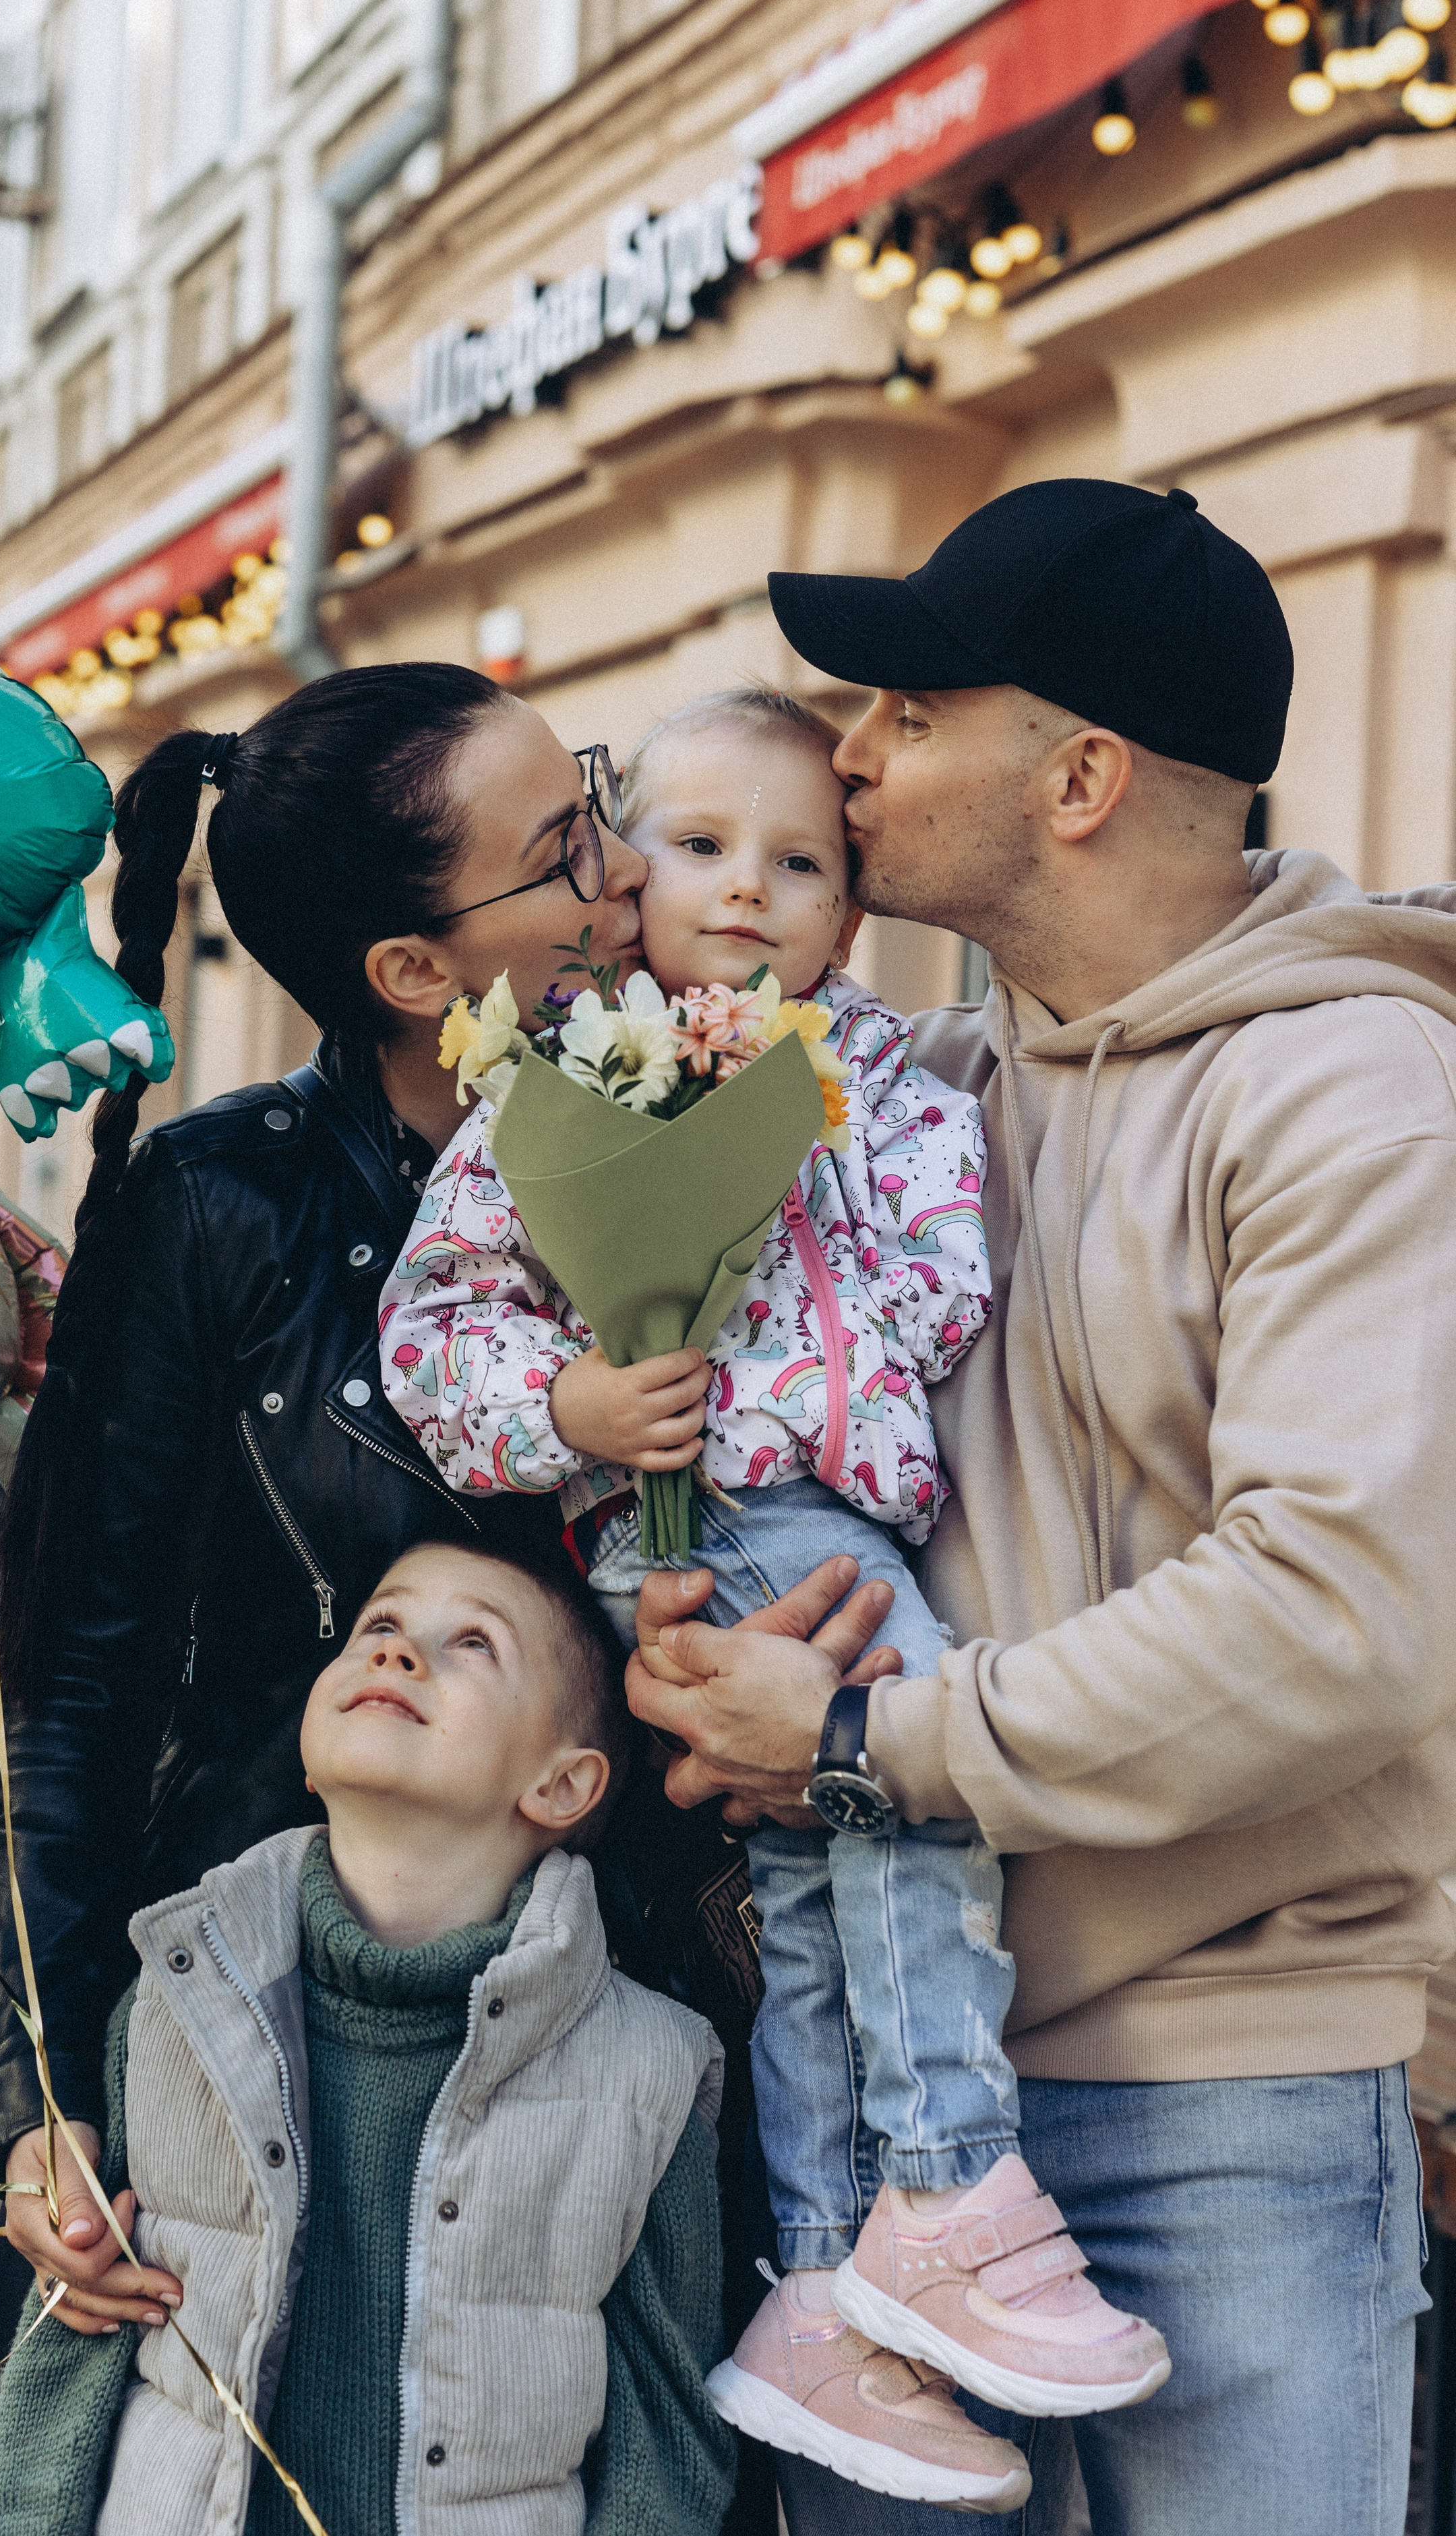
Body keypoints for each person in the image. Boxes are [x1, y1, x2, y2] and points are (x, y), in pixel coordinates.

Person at [626, 477, 1456, 2536]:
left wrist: (862, 1743)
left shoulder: (1352, 1090)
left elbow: (1337, 1609)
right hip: (899, 2088)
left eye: (911, 702)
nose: (853, 748)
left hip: (1234, 2083)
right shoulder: (901, 1098)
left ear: (1078, 775)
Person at [382, 686, 1165, 2503]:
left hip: (834, 1496)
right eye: (703, 848)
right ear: (620, 879)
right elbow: (436, 1326)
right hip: (701, 1513)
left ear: (851, 909)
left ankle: (829, 2283)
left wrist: (789, 1168)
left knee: (818, 1891)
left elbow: (944, 1294)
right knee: (902, 1782)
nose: (747, 892)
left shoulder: (886, 1078)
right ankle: (948, 2174)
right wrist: (573, 1403)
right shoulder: (554, 1081)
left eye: (800, 861)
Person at [0, 664, 656, 2533]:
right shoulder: (216, 1206)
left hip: (613, 2033)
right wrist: (41, 2100)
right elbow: (70, 1682)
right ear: (417, 973)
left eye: (600, 803)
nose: (625, 870)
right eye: (568, 846)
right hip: (245, 2019)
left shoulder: (721, 1136)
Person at [0, 1541, 735, 2536]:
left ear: (561, 1785)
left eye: (471, 1642)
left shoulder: (652, 2074)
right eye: (378, 1624)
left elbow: (666, 2442)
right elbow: (73, 2349)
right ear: (308, 1745)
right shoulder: (172, 2004)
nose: (399, 1653)